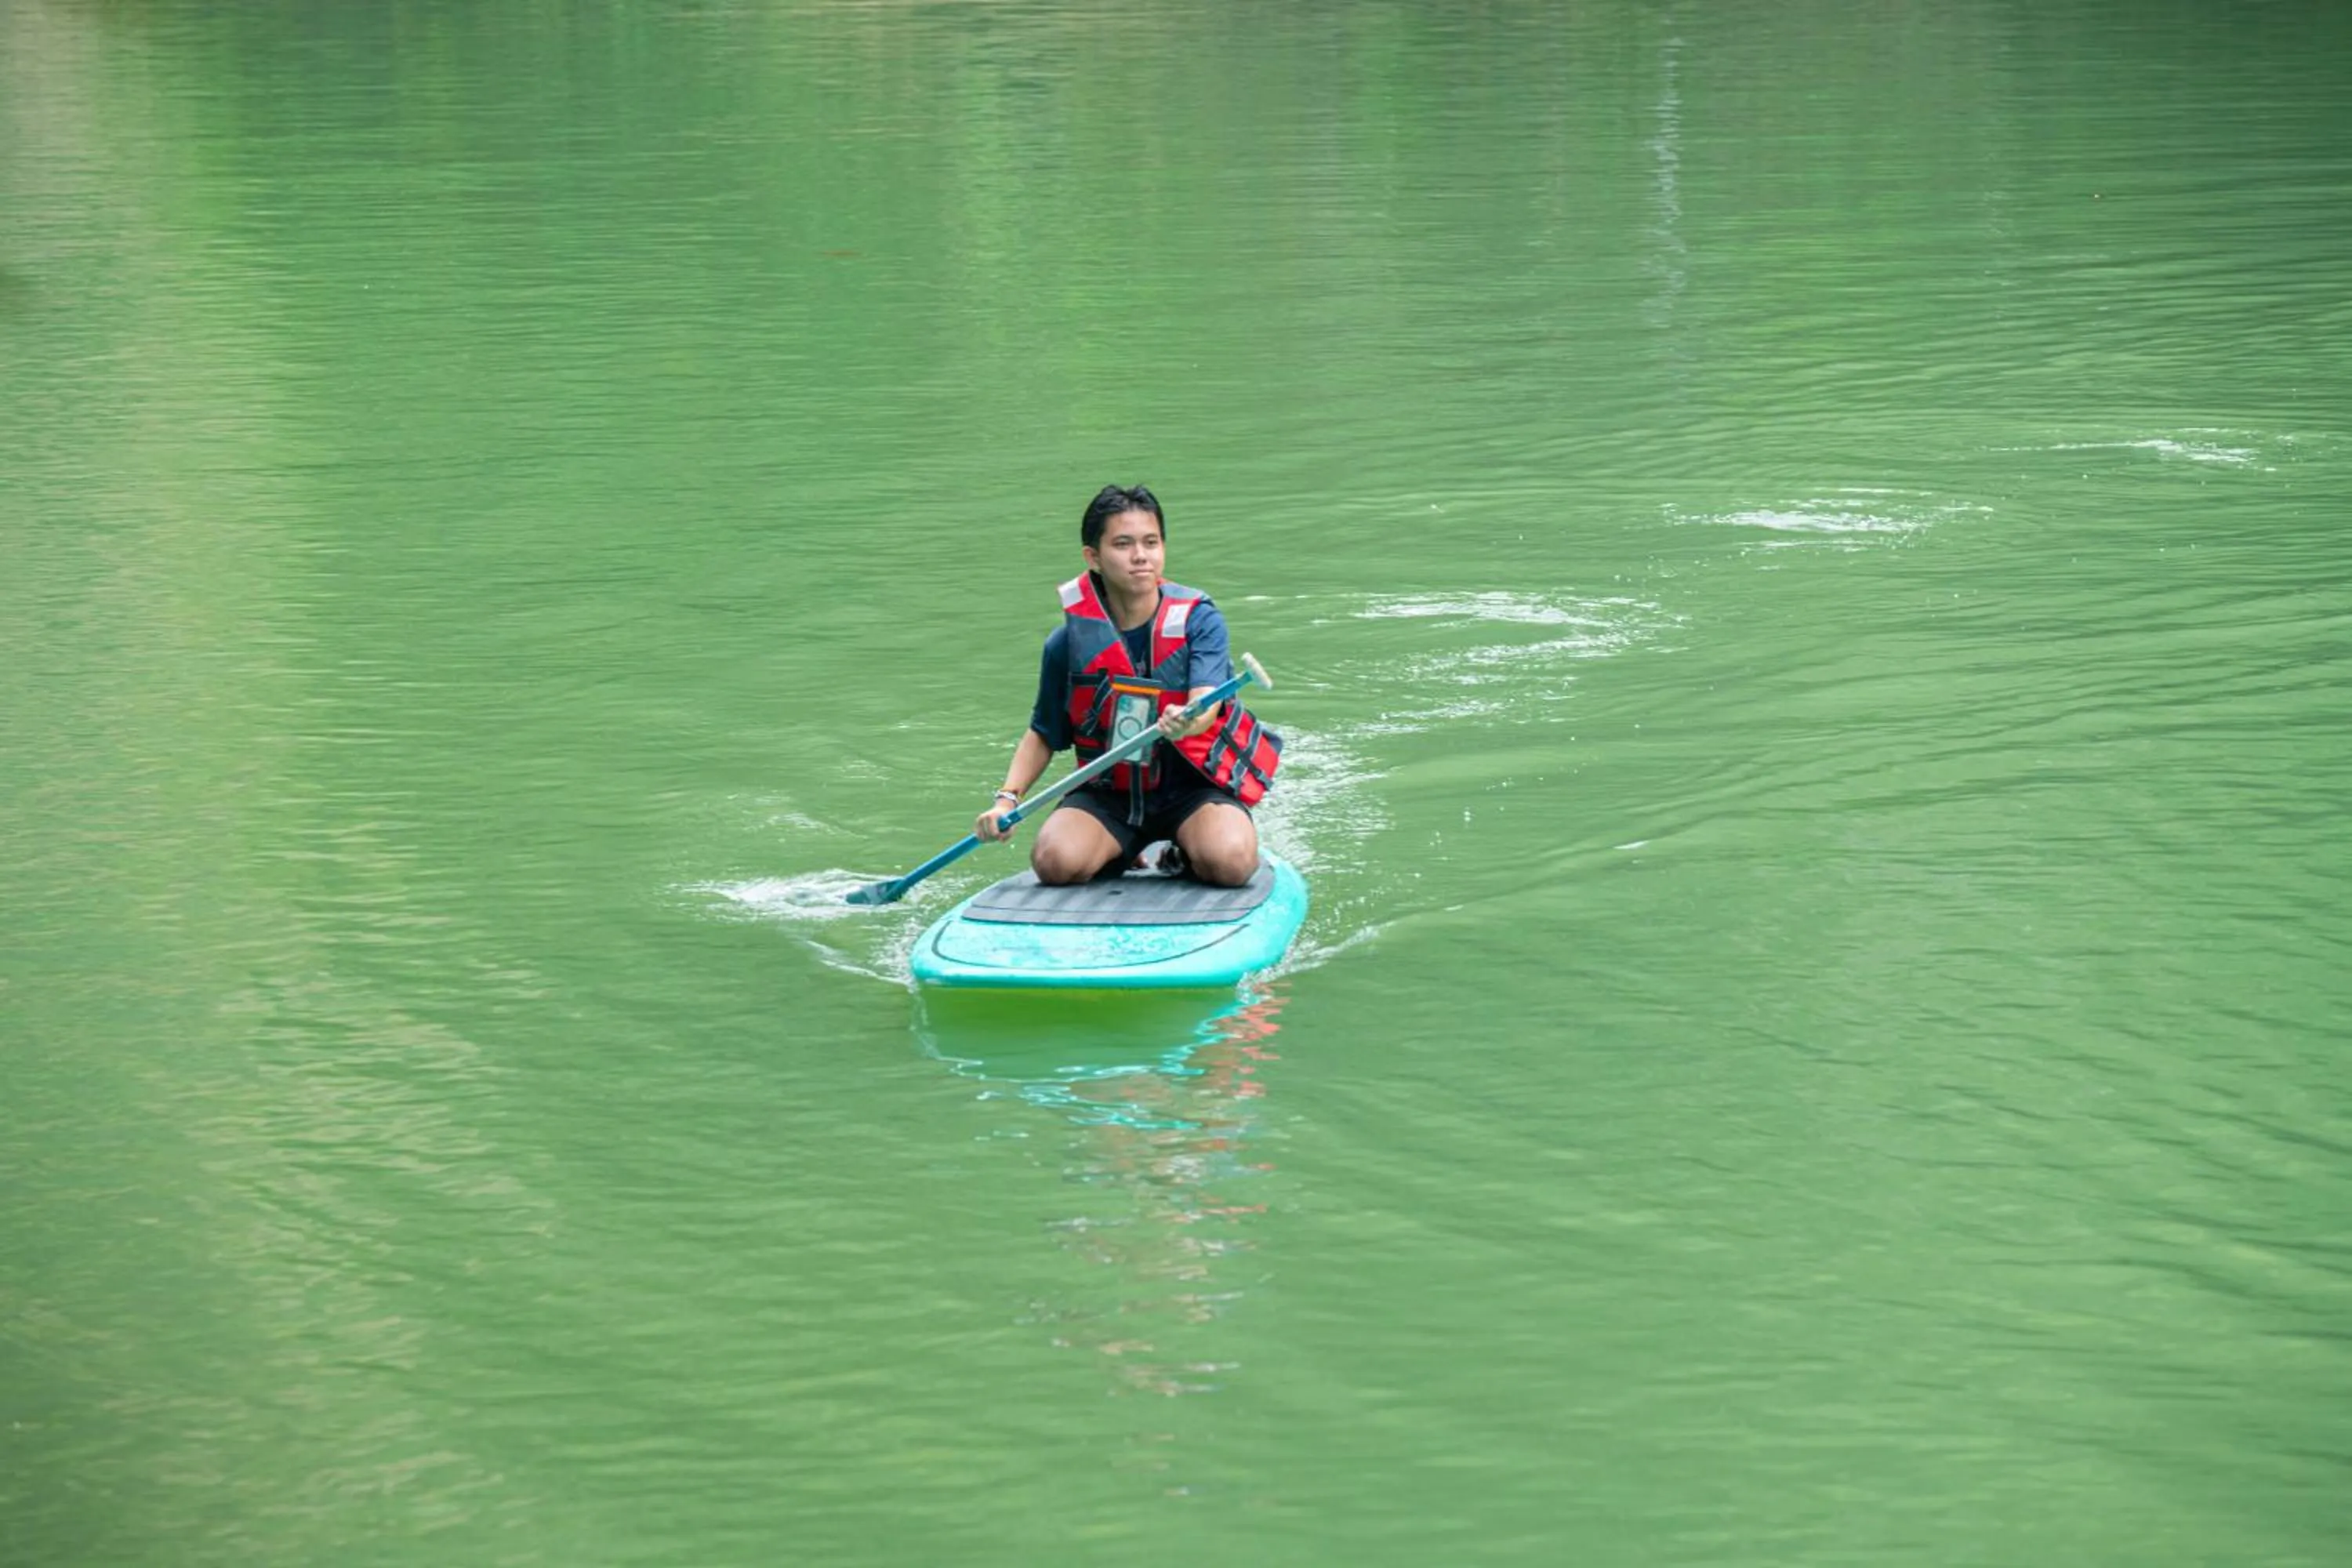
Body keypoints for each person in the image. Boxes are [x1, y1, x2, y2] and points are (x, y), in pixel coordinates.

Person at [974, 485, 1282, 887]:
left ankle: (1183, 851)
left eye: (1151, 542)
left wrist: (1187, 722)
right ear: (1094, 557)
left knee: (1231, 863)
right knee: (1054, 862)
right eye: (1123, 544)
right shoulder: (1066, 644)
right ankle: (1117, 849)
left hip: (1193, 790)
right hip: (1109, 795)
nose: (1141, 555)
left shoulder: (1199, 622)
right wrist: (1005, 801)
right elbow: (1043, 734)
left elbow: (1205, 705)